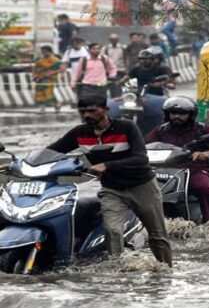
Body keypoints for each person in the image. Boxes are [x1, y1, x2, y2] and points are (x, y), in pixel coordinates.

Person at [46, 94, 173, 266]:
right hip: (112, 189)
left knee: (157, 234)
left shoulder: (127, 127)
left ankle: (166, 269)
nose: (86, 115)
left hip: (142, 186)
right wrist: (23, 163)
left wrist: (107, 165)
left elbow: (141, 159)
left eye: (92, 111)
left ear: (105, 110)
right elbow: (52, 152)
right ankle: (118, 268)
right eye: (83, 112)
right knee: (112, 230)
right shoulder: (79, 133)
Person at [145, 96, 209, 223]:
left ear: (191, 114)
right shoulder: (160, 130)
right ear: (167, 114)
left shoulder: (203, 130)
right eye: (173, 113)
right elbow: (145, 146)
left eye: (182, 114)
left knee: (203, 187)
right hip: (164, 169)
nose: (177, 116)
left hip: (194, 170)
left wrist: (206, 154)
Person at [33, 45, 62, 113]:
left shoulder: (55, 60)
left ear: (50, 52)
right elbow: (35, 69)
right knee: (39, 93)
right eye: (43, 52)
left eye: (46, 52)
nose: (44, 53)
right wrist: (35, 77)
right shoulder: (39, 61)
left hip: (49, 79)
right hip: (40, 79)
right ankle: (42, 109)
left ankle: (56, 104)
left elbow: (60, 69)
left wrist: (51, 73)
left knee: (48, 93)